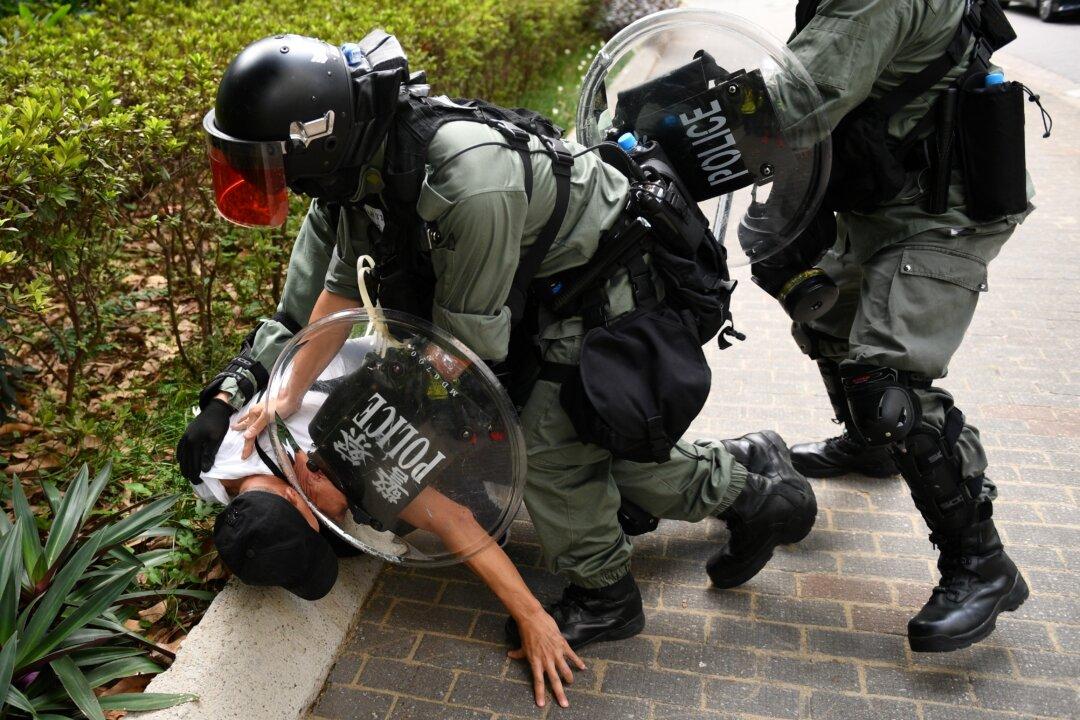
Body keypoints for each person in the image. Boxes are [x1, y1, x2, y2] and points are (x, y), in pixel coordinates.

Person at [176, 30, 816, 660]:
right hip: (537, 289)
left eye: (270, 160)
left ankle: (607, 596)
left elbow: (460, 355)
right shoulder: (359, 169)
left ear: (314, 139)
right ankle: (753, 485)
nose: (269, 178)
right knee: (577, 444)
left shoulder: (467, 181)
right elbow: (341, 291)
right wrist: (279, 394)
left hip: (605, 287)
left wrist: (384, 437)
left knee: (546, 450)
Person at [772, 0, 1036, 651]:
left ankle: (982, 564)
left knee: (886, 384)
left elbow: (789, 106)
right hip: (889, 200)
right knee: (826, 316)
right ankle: (871, 448)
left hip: (944, 210)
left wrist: (666, 134)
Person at [190, 358, 588, 709]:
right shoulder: (207, 470)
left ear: (296, 498)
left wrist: (533, 617)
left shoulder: (341, 452)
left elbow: (455, 521)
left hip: (409, 371)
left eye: (313, 524)